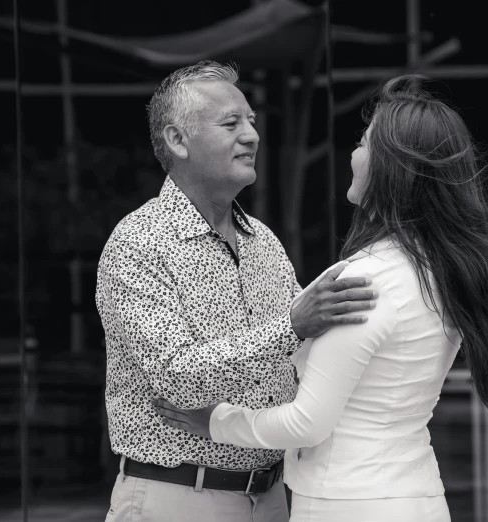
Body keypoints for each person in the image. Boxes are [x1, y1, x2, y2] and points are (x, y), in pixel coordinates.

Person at [154, 75, 488, 522]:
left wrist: (213, 420)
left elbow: (307, 423)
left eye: (364, 143)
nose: (353, 154)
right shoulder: (434, 267)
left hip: (349, 502)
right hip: (415, 494)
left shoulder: (368, 281)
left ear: (392, 167)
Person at [95, 60, 379, 522]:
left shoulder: (262, 240)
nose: (252, 135)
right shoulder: (138, 243)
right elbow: (176, 378)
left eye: (251, 121)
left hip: (271, 499)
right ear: (177, 140)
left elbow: (305, 355)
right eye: (231, 123)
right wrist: (291, 327)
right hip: (178, 497)